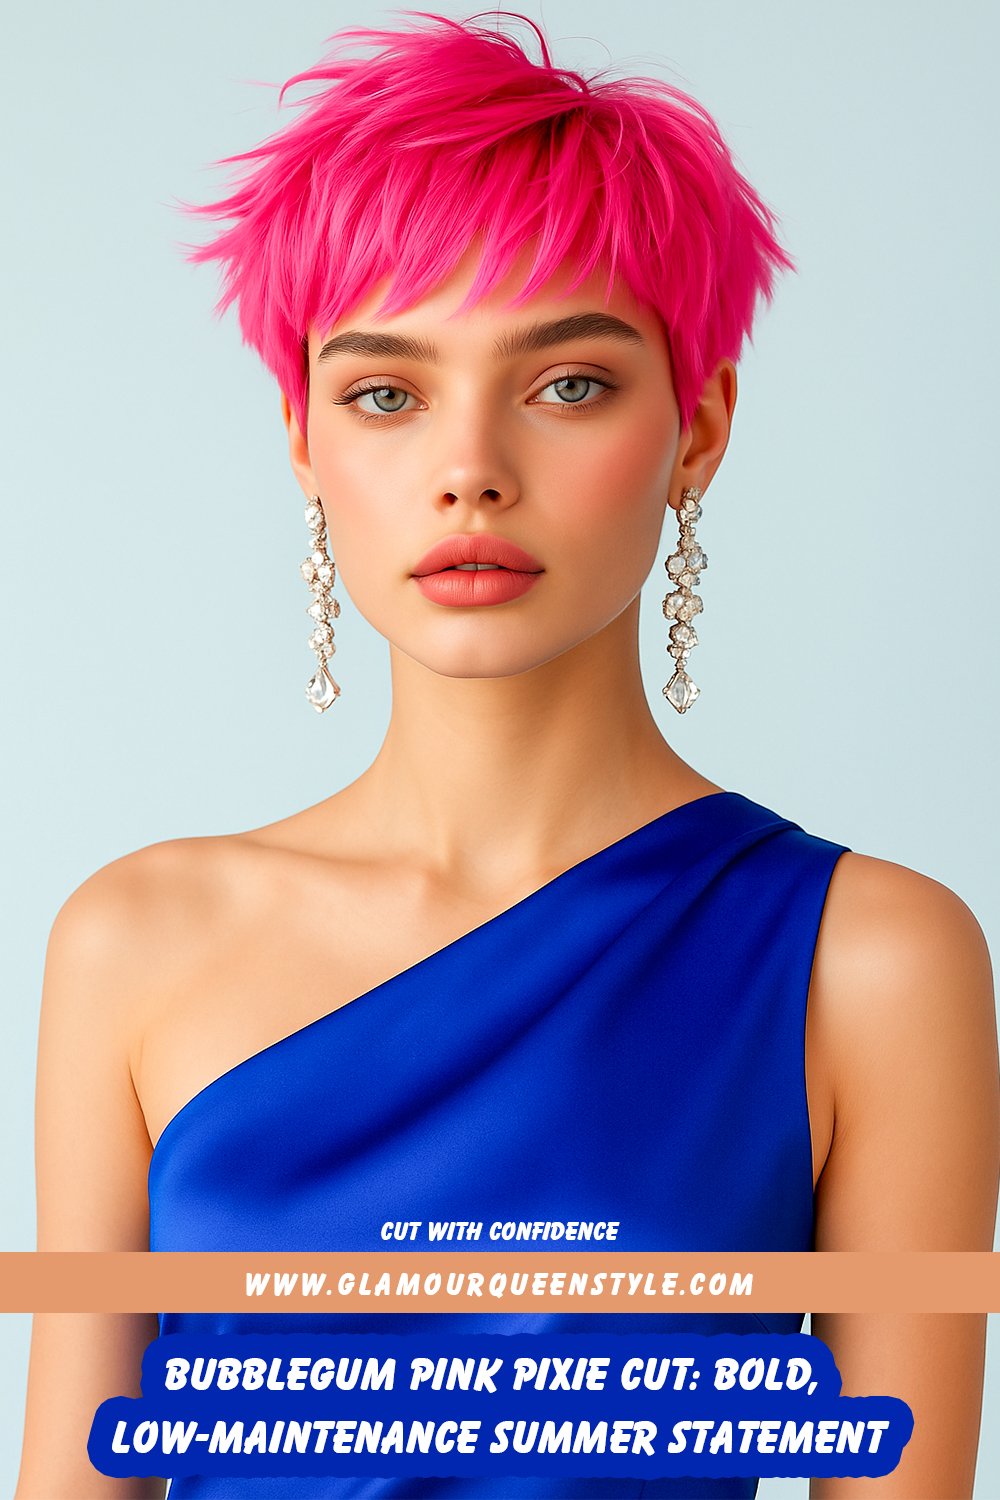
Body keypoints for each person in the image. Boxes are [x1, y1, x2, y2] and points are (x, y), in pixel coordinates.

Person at [16, 11, 998, 1499]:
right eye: (387, 394)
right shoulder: (134, 942)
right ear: (304, 439)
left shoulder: (875, 961)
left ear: (699, 429)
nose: (469, 465)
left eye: (569, 383)